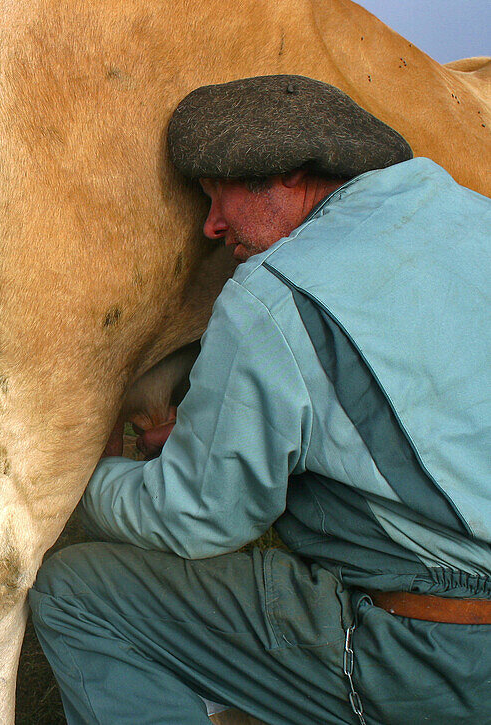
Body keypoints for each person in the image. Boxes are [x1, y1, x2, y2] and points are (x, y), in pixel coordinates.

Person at [28, 75, 491, 724]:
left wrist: (89, 479)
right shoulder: (470, 215)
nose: (213, 226)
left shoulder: (273, 294)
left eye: (221, 195)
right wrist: (214, 442)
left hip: (442, 654)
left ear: (292, 177)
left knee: (76, 592)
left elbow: (194, 517)